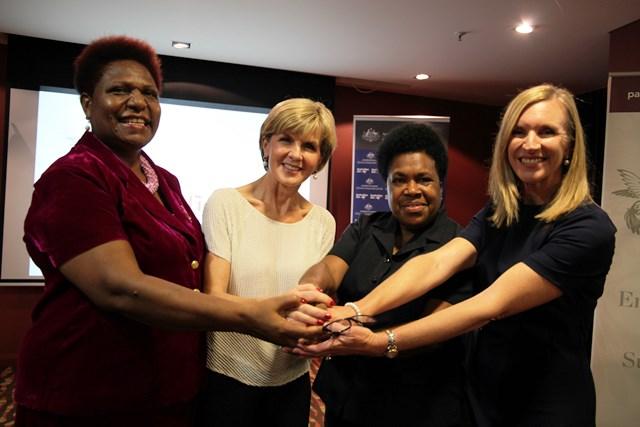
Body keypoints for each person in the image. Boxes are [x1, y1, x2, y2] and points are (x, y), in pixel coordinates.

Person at [15, 36, 330, 427]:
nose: (137, 102)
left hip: (168, 388)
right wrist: (252, 314)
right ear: (86, 103)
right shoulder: (74, 176)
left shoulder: (164, 181)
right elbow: (118, 287)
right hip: (90, 392)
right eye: (119, 90)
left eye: (149, 93)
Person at [294, 84, 616, 427]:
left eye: (547, 131)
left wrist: (379, 342)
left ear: (570, 146)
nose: (530, 143)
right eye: (519, 132)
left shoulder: (588, 228)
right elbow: (437, 262)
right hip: (484, 391)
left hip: (544, 400)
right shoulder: (501, 212)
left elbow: (490, 306)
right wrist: (359, 309)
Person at [296, 123, 474, 427]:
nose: (412, 190)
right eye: (399, 180)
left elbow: (434, 331)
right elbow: (330, 267)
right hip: (349, 395)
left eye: (424, 179)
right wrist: (310, 288)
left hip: (418, 405)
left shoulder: (458, 247)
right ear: (387, 185)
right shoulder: (366, 226)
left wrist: (367, 339)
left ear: (440, 184)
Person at [196, 98, 337, 427]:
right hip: (227, 373)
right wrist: (277, 316)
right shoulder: (226, 204)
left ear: (320, 160)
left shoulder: (323, 223)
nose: (295, 154)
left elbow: (311, 302)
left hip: (291, 380)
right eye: (286, 140)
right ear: (266, 144)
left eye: (309, 146)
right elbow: (214, 298)